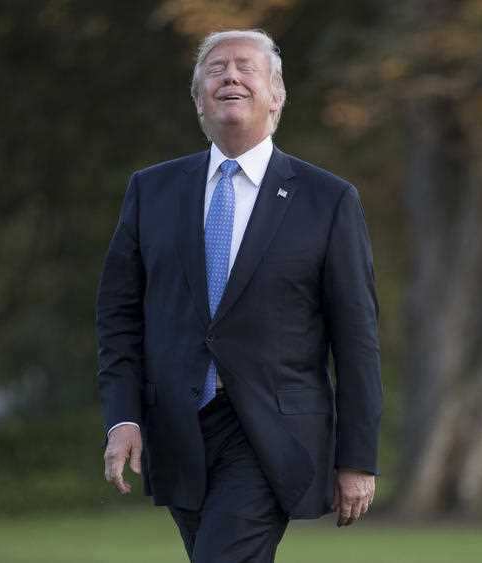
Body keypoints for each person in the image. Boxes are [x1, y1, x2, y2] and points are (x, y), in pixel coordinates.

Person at [96, 28, 382, 562]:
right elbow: (118, 317)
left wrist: (358, 458)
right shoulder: (151, 191)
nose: (230, 75)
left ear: (276, 96)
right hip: (178, 429)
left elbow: (357, 338)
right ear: (198, 99)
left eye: (246, 67)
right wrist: (123, 418)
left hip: (272, 434)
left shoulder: (328, 200)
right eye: (216, 68)